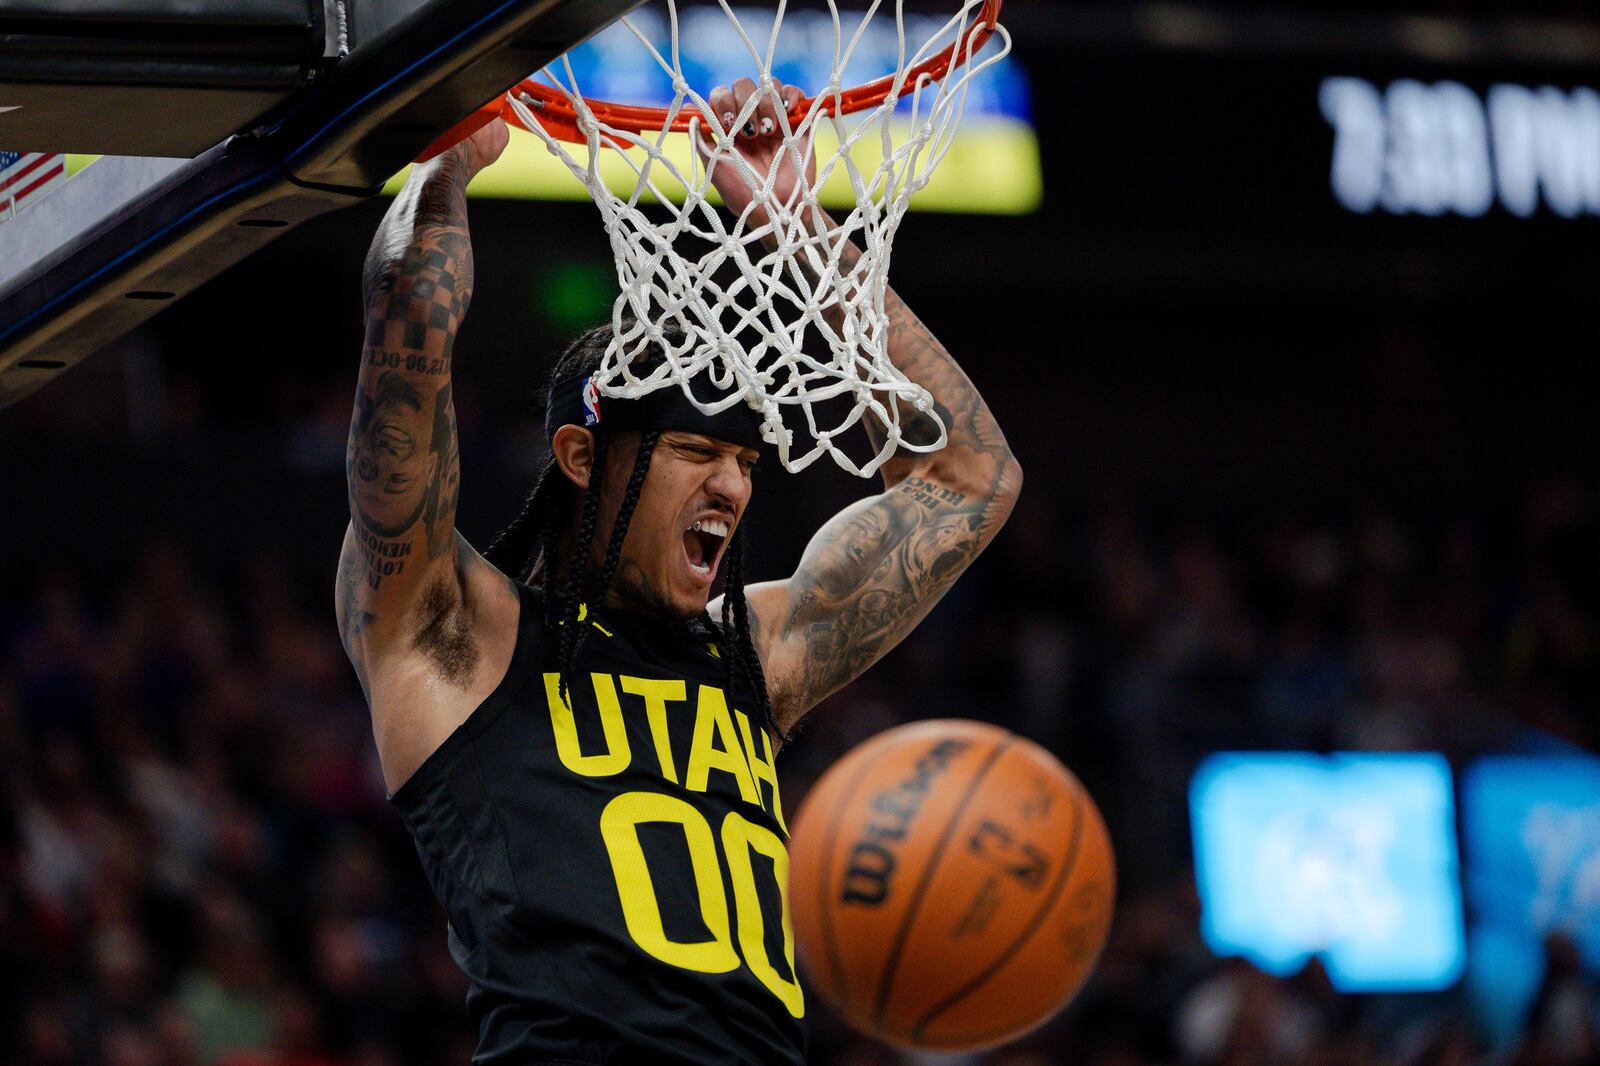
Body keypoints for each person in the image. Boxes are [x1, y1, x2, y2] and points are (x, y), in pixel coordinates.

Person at [334, 77, 1022, 1064]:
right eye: (697, 451)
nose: (732, 487)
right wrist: (444, 171)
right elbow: (408, 338)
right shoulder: (457, 635)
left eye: (744, 461)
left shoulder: (752, 657)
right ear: (581, 458)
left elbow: (969, 481)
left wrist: (792, 219)